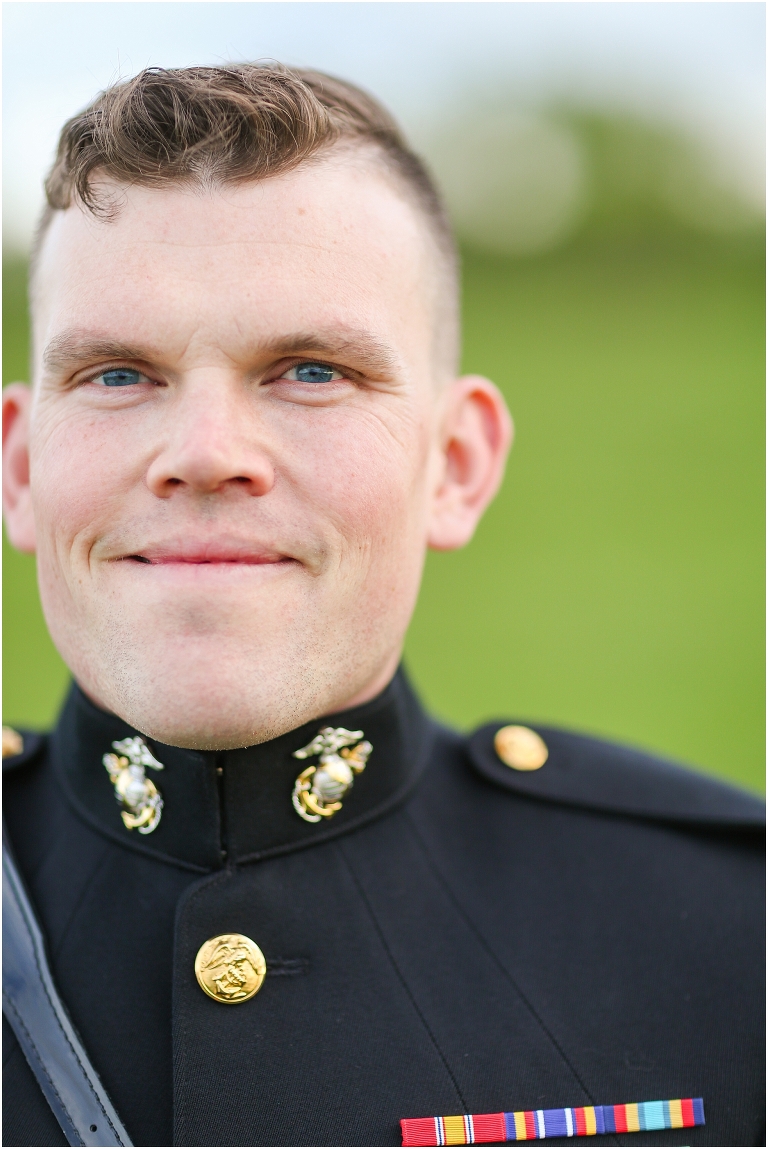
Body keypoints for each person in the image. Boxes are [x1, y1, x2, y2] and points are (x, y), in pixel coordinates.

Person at [1, 64, 763, 1149]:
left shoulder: (732, 939)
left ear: (456, 464)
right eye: (118, 375)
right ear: (22, 468)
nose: (206, 454)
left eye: (310, 370)